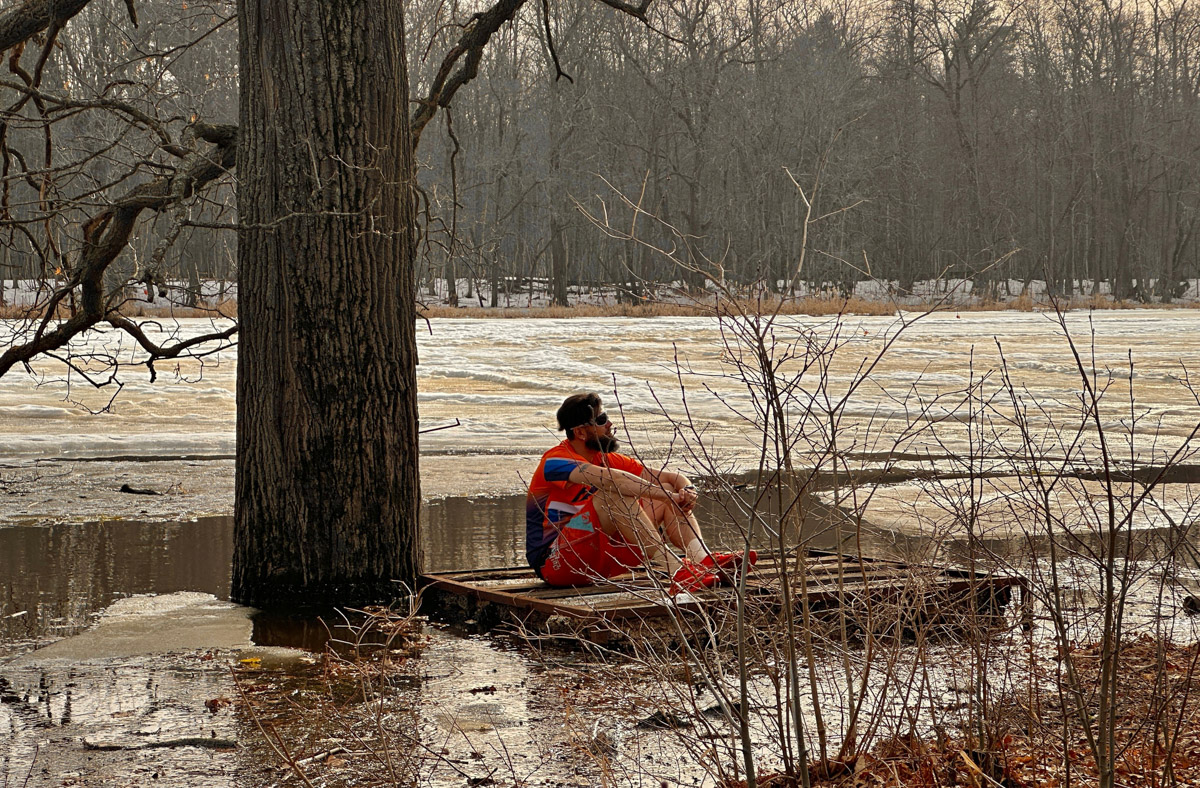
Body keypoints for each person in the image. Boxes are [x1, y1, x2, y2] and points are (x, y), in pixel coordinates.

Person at [526, 392, 756, 595]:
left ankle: (702, 560)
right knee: (613, 495)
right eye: (602, 419)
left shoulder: (605, 458)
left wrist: (687, 490)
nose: (610, 424)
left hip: (599, 559)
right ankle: (677, 572)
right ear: (581, 432)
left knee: (665, 491)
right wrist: (668, 496)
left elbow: (669, 478)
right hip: (554, 564)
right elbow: (612, 480)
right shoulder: (554, 461)